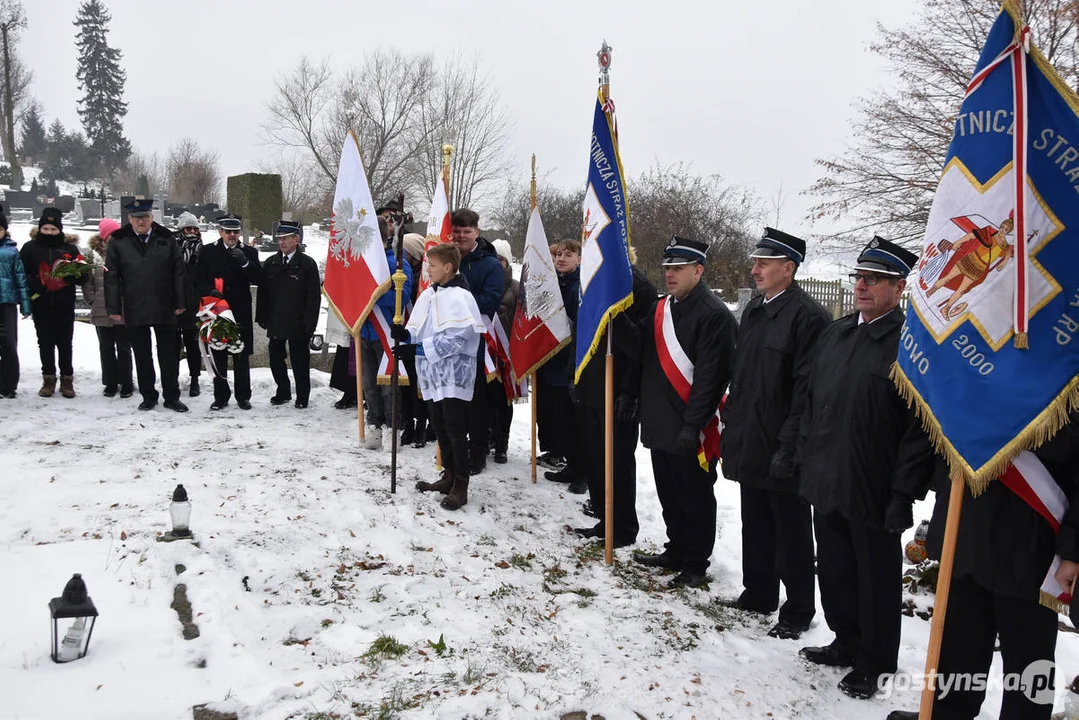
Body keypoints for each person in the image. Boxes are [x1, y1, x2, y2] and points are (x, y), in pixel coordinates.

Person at [797, 237, 934, 700]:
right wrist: (804, 458)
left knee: (874, 577)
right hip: (827, 472)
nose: (862, 285)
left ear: (899, 286)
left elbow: (918, 429)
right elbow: (812, 400)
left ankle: (875, 661)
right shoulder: (837, 334)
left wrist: (903, 494)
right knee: (834, 567)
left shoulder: (910, 342)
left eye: (874, 279)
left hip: (874, 483)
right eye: (859, 277)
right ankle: (845, 640)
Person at [886, 416, 1079, 720]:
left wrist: (1073, 550)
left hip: (1030, 545)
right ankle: (945, 713)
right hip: (966, 528)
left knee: (1029, 665)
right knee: (957, 645)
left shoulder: (1065, 373)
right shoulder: (976, 367)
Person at [719, 228, 830, 640]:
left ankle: (798, 608)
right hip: (750, 432)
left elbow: (805, 390)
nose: (755, 270)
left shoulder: (808, 317)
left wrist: (790, 447)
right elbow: (744, 374)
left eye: (764, 264)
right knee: (756, 521)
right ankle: (759, 592)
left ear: (789, 267)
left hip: (783, 441)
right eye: (755, 263)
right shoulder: (754, 311)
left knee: (791, 531)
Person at [617, 236, 737, 588]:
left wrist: (693, 424)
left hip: (690, 424)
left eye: (678, 268)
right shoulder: (661, 308)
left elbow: (711, 378)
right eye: (668, 268)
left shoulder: (714, 315)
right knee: (669, 491)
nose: (670, 274)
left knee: (695, 495)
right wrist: (616, 318)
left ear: (698, 271)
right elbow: (641, 350)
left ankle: (696, 561)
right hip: (659, 418)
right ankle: (676, 548)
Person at [392, 242, 486, 511]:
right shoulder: (429, 294)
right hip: (432, 373)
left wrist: (417, 349)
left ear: (447, 267)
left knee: (455, 428)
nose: (428, 270)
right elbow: (419, 327)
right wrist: (405, 335)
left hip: (454, 373)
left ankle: (462, 484)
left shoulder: (461, 297)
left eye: (432, 266)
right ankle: (449, 474)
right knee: (440, 425)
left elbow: (457, 339)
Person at [573, 250, 656, 548]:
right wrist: (578, 376)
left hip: (619, 389)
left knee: (618, 462)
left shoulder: (640, 289)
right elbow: (581, 332)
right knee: (595, 459)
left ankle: (622, 527)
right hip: (592, 386)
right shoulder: (591, 284)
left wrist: (630, 393)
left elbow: (640, 349)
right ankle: (603, 519)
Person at [105, 198, 188, 412]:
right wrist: (114, 308)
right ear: (129, 219)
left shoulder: (166, 238)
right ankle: (148, 395)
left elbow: (178, 271)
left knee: (169, 354)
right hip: (134, 305)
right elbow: (112, 277)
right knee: (142, 354)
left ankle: (171, 396)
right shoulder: (118, 241)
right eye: (136, 218)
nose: (141, 222)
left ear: (152, 218)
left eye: (145, 217)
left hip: (164, 303)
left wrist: (180, 301)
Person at [450, 208, 505, 475]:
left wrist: (456, 304)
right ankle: (453, 447)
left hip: (476, 342)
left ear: (477, 232)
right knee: (452, 397)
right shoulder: (444, 259)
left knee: (475, 401)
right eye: (457, 231)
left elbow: (491, 300)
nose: (461, 236)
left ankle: (478, 451)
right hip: (448, 338)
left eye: (466, 231)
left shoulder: (490, 264)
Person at [197, 213, 261, 411]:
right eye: (228, 232)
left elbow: (259, 277)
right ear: (220, 232)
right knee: (218, 353)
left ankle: (243, 396)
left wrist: (245, 263)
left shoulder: (249, 252)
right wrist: (209, 290)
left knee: (240, 354)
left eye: (235, 232)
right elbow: (198, 279)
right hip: (216, 310)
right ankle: (221, 396)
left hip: (240, 311)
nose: (232, 235)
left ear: (240, 232)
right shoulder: (208, 251)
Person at [20, 207, 87, 399]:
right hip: (40, 302)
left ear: (60, 230)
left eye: (53, 229)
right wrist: (35, 283)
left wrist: (72, 276)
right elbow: (21, 272)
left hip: (64, 303)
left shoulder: (69, 249)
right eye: (46, 229)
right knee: (45, 342)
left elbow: (83, 276)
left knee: (65, 342)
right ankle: (48, 378)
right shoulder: (30, 248)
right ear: (40, 229)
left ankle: (67, 379)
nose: (49, 233)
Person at [256, 220, 320, 409]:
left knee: (300, 361)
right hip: (276, 320)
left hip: (298, 322)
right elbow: (263, 292)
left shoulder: (307, 264)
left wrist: (310, 323)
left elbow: (313, 297)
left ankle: (302, 396)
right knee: (275, 357)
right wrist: (262, 316)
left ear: (296, 239)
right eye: (280, 239)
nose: (282, 243)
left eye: (285, 239)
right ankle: (283, 391)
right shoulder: (272, 262)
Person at [360, 216, 412, 449]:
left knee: (388, 386)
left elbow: (402, 297)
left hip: (386, 332)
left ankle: (393, 427)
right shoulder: (362, 263)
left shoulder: (398, 263)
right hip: (364, 331)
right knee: (369, 384)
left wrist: (374, 294)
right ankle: (374, 425)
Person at [540, 241, 586, 494]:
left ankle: (583, 472)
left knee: (576, 422)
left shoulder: (579, 285)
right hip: (554, 359)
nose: (561, 258)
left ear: (579, 259)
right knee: (562, 420)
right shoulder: (555, 282)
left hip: (572, 359)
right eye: (558, 254)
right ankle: (571, 465)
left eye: (569, 255)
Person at [82, 218, 133, 398]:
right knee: (106, 347)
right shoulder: (94, 258)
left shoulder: (127, 253)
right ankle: (110, 382)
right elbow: (87, 283)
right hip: (101, 309)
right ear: (103, 237)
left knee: (124, 347)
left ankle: (127, 381)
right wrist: (93, 300)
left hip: (122, 309)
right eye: (110, 234)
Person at [489, 238, 519, 464]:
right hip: (488, 351)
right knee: (485, 400)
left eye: (501, 259)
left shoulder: (517, 287)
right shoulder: (485, 282)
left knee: (503, 401)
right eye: (494, 258)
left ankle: (502, 444)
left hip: (508, 353)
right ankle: (488, 436)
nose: (497, 263)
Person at [399, 232, 429, 447]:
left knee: (421, 383)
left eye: (404, 252)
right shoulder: (400, 272)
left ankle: (421, 426)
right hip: (404, 333)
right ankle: (407, 424)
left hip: (421, 335)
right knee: (405, 382)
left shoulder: (425, 279)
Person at [0, 207, 31, 398]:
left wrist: (26, 305)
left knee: (8, 344)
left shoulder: (11, 252)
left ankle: (9, 384)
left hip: (6, 304)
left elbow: (21, 280)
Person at [174, 212, 204, 397]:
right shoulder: (172, 248)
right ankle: (172, 378)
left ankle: (195, 379)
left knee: (193, 346)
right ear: (181, 230)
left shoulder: (202, 250)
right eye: (188, 228)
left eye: (194, 228)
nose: (192, 232)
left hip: (194, 304)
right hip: (175, 304)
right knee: (173, 346)